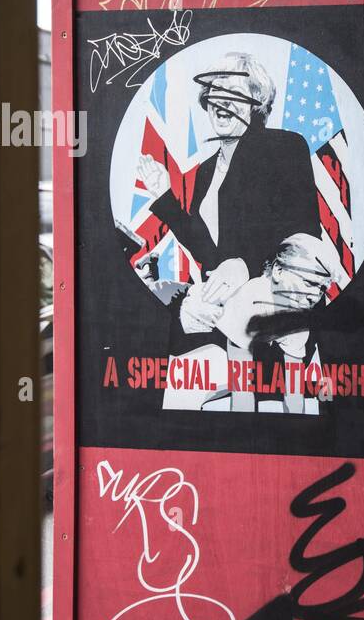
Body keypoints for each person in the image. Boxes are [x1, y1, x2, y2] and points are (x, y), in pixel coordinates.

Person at [137, 52, 324, 405]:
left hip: (277, 325)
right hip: (225, 324)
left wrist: (246, 265)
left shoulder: (284, 147)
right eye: (214, 93)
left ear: (257, 102)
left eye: (233, 93)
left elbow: (302, 235)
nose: (221, 103)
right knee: (174, 391)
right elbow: (212, 258)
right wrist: (165, 199)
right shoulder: (207, 171)